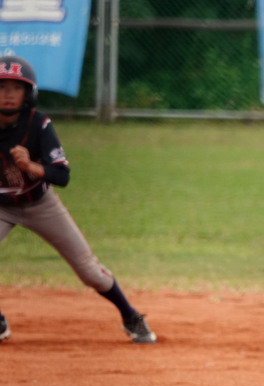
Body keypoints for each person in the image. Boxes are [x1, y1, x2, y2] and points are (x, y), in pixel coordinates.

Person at [0, 55, 156, 344]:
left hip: (40, 204)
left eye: (16, 87)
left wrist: (31, 167)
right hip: (2, 207)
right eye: (2, 87)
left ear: (28, 94)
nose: (8, 94)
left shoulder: (39, 124)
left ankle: (130, 315)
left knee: (89, 271)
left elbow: (62, 176)